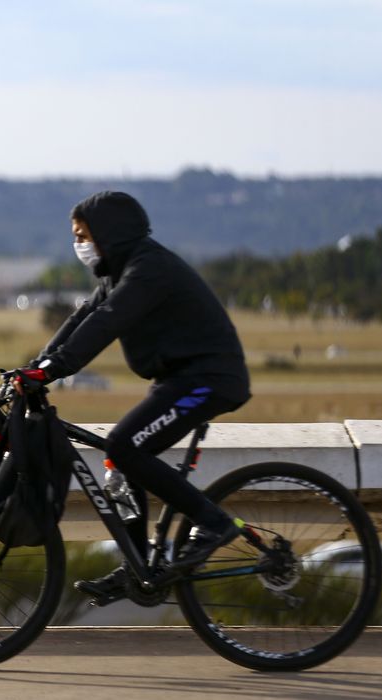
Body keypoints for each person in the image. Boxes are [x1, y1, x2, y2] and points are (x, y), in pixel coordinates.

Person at [27, 191, 252, 606]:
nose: (79, 245)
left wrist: (56, 370)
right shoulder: (117, 272)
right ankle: (137, 565)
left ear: (109, 233)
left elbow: (109, 321)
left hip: (208, 379)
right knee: (123, 460)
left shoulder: (149, 269)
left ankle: (215, 522)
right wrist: (36, 367)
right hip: (178, 380)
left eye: (83, 235)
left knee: (123, 445)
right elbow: (84, 318)